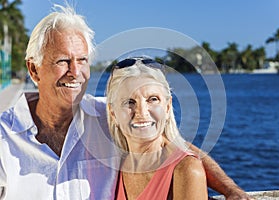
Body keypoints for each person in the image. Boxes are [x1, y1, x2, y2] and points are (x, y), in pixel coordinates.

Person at [0, 3, 253, 200]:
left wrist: (230, 188)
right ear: (34, 71)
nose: (75, 72)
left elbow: (176, 146)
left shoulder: (107, 115)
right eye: (63, 61)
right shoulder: (4, 138)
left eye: (83, 61)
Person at [106, 57, 208, 199]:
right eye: (129, 102)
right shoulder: (112, 168)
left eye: (152, 99)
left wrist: (230, 189)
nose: (142, 112)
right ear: (113, 113)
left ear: (167, 107)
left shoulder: (186, 170)